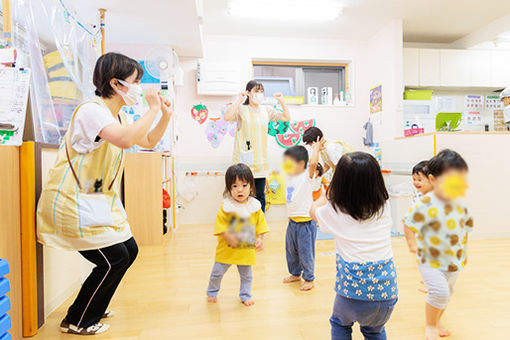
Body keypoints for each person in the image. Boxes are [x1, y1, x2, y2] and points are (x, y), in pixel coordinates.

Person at [37, 52, 173, 335]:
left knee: (129, 251)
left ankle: (93, 307)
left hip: (95, 201)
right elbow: (124, 140)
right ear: (116, 83)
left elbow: (146, 140)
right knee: (113, 259)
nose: (139, 87)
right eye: (136, 82)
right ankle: (79, 319)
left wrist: (164, 116)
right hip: (72, 203)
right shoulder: (91, 110)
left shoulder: (116, 114)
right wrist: (151, 109)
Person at [311, 152, 398, 340]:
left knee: (339, 324)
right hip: (387, 292)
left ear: (340, 183)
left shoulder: (335, 210)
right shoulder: (384, 206)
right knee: (374, 330)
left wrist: (327, 195)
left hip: (352, 293)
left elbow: (313, 212)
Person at [404, 149, 473, 340]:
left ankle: (436, 320)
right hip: (429, 257)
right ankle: (431, 326)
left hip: (453, 257)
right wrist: (411, 243)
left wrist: (465, 250)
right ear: (434, 180)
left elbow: (464, 227)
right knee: (440, 292)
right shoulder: (424, 202)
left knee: (447, 294)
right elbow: (408, 223)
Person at [206, 163, 269, 307]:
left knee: (247, 276)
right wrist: (228, 235)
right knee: (217, 273)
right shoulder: (226, 207)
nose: (239, 190)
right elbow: (220, 225)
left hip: (245, 250)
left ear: (251, 187)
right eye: (234, 186)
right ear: (229, 188)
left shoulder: (254, 207)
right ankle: (212, 291)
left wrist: (260, 238)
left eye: (244, 185)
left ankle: (245, 295)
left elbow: (261, 224)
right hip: (227, 250)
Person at [224, 80, 291, 212]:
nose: (259, 94)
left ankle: (260, 225)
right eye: (256, 91)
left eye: (261, 92)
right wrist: (238, 100)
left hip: (260, 162)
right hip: (244, 162)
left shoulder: (266, 110)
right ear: (248, 93)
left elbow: (286, 118)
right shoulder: (241, 110)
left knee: (260, 195)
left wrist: (282, 101)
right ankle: (243, 224)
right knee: (243, 196)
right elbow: (227, 117)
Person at [282, 140, 323, 291]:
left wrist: (316, 149)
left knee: (306, 251)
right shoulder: (289, 177)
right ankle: (295, 273)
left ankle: (309, 277)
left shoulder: (307, 175)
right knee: (291, 250)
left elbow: (313, 164)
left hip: (305, 222)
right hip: (292, 222)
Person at [405, 160, 433, 253]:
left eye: (419, 180)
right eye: (414, 179)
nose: (416, 182)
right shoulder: (418, 194)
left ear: (431, 179)